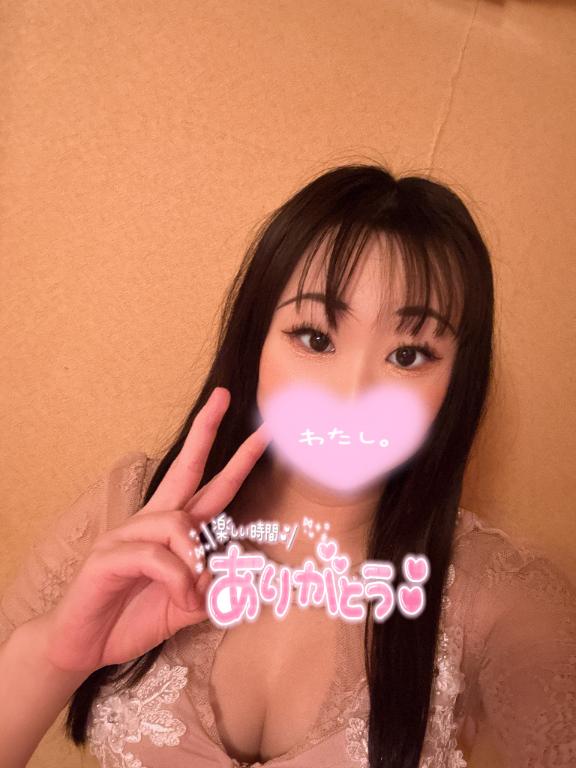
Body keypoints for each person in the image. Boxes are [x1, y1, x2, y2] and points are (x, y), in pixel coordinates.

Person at [1, 164, 575, 768]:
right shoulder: (129, 512)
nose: (352, 397)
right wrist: (56, 658)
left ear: (456, 383)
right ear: (256, 340)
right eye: (316, 339)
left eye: (408, 355)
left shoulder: (500, 597)